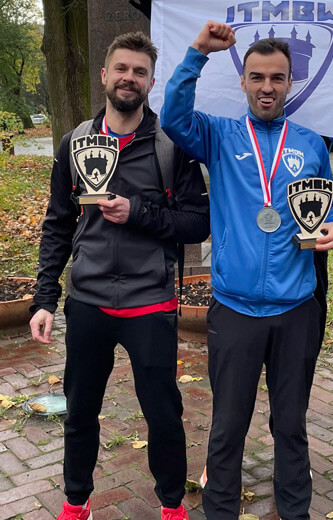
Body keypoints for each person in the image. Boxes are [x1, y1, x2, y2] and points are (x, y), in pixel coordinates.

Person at [160, 21, 333, 520]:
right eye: (258, 77)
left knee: (291, 424)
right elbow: (173, 117)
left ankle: (295, 510)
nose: (267, 87)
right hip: (235, 308)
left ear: (290, 83)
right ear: (243, 81)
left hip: (296, 308)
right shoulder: (219, 135)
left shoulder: (310, 144)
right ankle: (220, 511)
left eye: (277, 78)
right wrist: (198, 52)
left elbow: (326, 208)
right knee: (227, 426)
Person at [29, 31, 210, 520]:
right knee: (79, 411)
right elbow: (57, 224)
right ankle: (76, 502)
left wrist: (138, 213)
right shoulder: (75, 142)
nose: (129, 78)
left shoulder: (170, 146)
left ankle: (171, 505)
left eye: (140, 72)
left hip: (150, 302)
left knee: (164, 415)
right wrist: (44, 299)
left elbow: (199, 222)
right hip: (87, 301)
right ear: (105, 74)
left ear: (150, 82)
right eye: (122, 69)